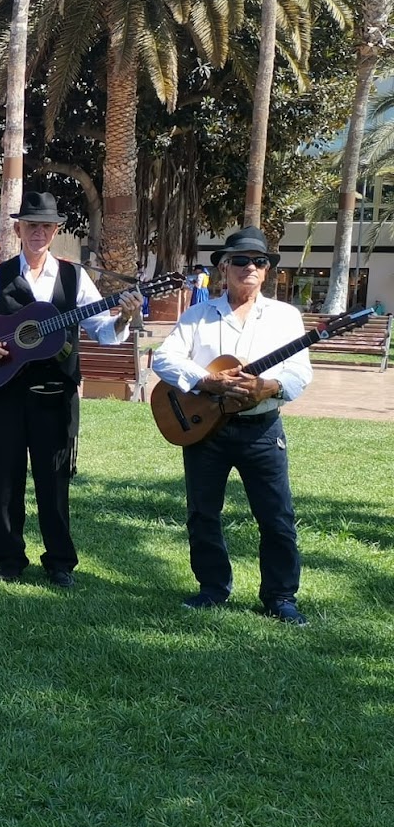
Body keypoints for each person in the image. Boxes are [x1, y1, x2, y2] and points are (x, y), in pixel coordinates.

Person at [0, 191, 136, 587]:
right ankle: (9, 559)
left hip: (55, 394)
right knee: (6, 478)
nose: (38, 233)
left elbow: (104, 330)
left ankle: (60, 562)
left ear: (55, 231)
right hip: (7, 391)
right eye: (31, 225)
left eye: (46, 227)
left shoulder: (74, 277)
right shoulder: (0, 275)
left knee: (54, 480)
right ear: (18, 230)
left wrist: (124, 318)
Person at [151, 227, 313, 625]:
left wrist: (268, 387)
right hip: (206, 428)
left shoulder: (285, 317)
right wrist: (206, 380)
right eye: (240, 260)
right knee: (203, 513)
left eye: (259, 261)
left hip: (262, 430)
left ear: (267, 270)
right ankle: (212, 588)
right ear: (224, 267)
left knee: (276, 516)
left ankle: (280, 596)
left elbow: (299, 372)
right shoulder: (199, 315)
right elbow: (165, 359)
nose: (250, 268)